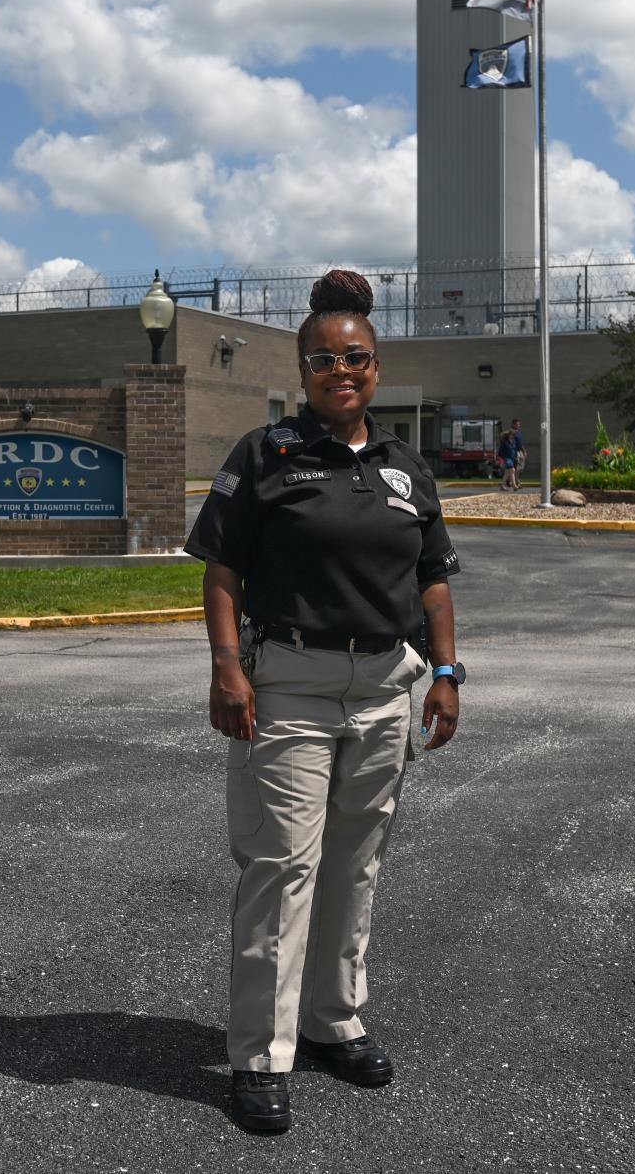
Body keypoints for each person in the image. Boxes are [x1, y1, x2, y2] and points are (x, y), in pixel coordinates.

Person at [185, 268, 465, 1136]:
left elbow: (433, 579)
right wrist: (228, 668)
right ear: (302, 368)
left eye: (356, 359)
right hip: (292, 687)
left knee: (356, 862)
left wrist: (448, 674)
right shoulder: (264, 456)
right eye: (323, 360)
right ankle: (259, 1055)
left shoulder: (404, 466)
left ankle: (332, 1021)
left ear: (376, 367)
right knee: (281, 867)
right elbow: (222, 572)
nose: (340, 371)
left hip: (386, 686)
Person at [498, 418, 526, 491]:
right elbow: (500, 451)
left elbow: (514, 450)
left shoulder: (513, 442)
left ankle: (503, 485)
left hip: (512, 458)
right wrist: (499, 458)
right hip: (506, 458)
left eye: (513, 435)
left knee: (508, 472)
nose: (512, 436)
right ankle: (514, 485)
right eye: (511, 435)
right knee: (512, 470)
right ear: (508, 435)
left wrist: (516, 457)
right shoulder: (505, 442)